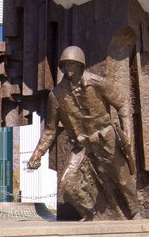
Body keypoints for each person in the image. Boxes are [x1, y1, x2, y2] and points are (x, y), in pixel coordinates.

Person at [27, 46, 139, 220]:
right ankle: (92, 215)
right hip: (82, 146)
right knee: (67, 184)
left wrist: (128, 135)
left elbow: (122, 103)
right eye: (65, 65)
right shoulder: (56, 96)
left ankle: (135, 212)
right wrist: (37, 154)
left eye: (72, 64)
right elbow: (50, 129)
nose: (68, 68)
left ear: (80, 65)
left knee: (122, 177)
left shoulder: (97, 82)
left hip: (104, 138)